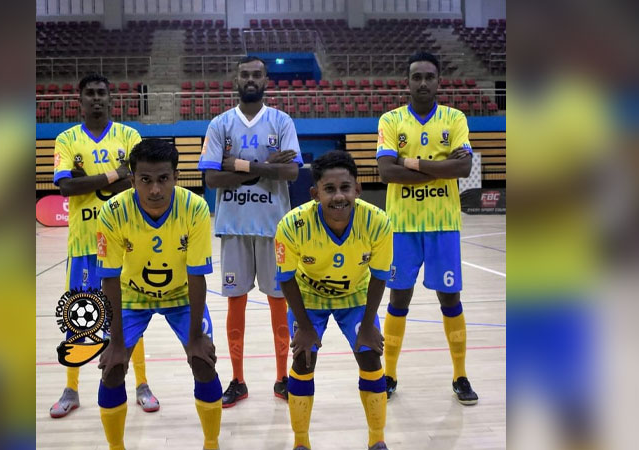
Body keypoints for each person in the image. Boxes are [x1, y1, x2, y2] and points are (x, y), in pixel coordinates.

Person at [96, 139, 222, 450]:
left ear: (176, 177)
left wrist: (196, 337)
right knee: (112, 370)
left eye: (163, 179)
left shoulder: (195, 208)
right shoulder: (112, 212)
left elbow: (197, 275)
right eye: (145, 180)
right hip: (131, 295)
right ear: (132, 180)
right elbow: (109, 278)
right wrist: (115, 342)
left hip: (181, 294)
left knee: (203, 361)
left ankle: (212, 443)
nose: (155, 189)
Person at [51, 73, 158, 418]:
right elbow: (66, 187)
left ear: (110, 99)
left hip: (124, 244)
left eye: (101, 93)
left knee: (131, 316)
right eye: (90, 94)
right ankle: (71, 389)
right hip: (84, 246)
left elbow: (138, 183)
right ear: (80, 101)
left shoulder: (129, 136)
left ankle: (141, 384)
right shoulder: (66, 139)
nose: (96, 98)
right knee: (79, 317)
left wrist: (89, 180)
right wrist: (115, 175)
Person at [197, 56, 303, 407]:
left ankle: (282, 378)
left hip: (275, 228)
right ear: (236, 80)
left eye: (257, 74)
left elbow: (291, 173)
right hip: (234, 227)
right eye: (245, 74)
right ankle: (238, 380)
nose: (251, 79)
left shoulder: (282, 121)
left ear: (266, 80)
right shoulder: (220, 124)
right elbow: (213, 178)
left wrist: (240, 165)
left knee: (278, 303)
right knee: (236, 302)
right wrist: (267, 166)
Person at [375, 52, 478, 405]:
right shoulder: (391, 120)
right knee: (398, 299)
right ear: (407, 82)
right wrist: (439, 167)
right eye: (416, 77)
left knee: (450, 299)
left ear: (438, 81)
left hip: (443, 224)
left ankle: (460, 375)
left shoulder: (455, 118)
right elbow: (386, 172)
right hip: (401, 226)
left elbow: (463, 169)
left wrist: (410, 163)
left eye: (429, 77)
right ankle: (389, 374)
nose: (422, 83)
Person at [275, 151, 392, 450]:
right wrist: (304, 327)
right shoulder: (292, 225)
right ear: (315, 194)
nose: (338, 196)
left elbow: (379, 276)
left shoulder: (378, 222)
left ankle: (377, 440)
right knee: (303, 359)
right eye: (329, 189)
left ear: (358, 189)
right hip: (308, 297)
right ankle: (301, 442)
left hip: (356, 296)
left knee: (370, 355)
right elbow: (286, 278)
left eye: (345, 187)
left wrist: (369, 325)